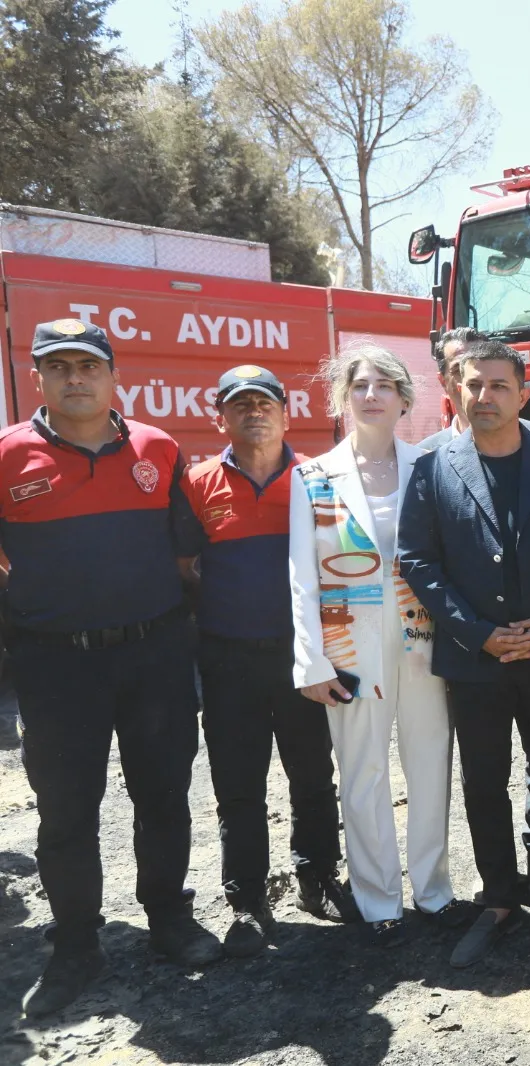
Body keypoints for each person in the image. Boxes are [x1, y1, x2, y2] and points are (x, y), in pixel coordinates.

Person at [8, 320, 222, 1017]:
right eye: (59, 366)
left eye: (88, 365)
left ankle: (168, 918)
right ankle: (75, 946)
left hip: (153, 654)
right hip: (55, 668)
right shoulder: (7, 456)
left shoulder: (157, 449)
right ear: (37, 376)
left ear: (113, 375)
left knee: (163, 793)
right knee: (67, 811)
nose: (76, 378)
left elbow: (187, 554)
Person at [397, 338, 530, 968]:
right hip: (474, 658)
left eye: (498, 386)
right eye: (473, 385)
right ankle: (500, 894)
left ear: (523, 391)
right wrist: (475, 631)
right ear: (455, 389)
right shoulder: (431, 468)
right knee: (484, 780)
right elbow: (418, 561)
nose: (485, 397)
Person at [289, 342, 469, 947]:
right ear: (343, 398)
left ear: (403, 400)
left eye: (384, 386)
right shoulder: (312, 477)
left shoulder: (431, 466)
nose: (371, 396)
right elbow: (301, 576)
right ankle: (376, 899)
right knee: (362, 772)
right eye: (359, 385)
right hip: (349, 646)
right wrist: (311, 659)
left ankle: (435, 891)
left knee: (429, 763)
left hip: (425, 640)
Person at [181, 365, 357, 959]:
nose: (253, 412)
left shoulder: (317, 480)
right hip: (227, 659)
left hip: (302, 659)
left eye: (265, 402)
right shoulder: (197, 482)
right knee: (238, 785)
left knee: (312, 774)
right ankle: (247, 899)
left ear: (286, 413)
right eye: (240, 404)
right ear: (220, 416)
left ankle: (316, 877)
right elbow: (186, 565)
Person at [419, 327, 530, 452]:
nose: (472, 376)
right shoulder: (427, 453)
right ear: (443, 381)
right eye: (459, 370)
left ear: (523, 396)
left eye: (480, 366)